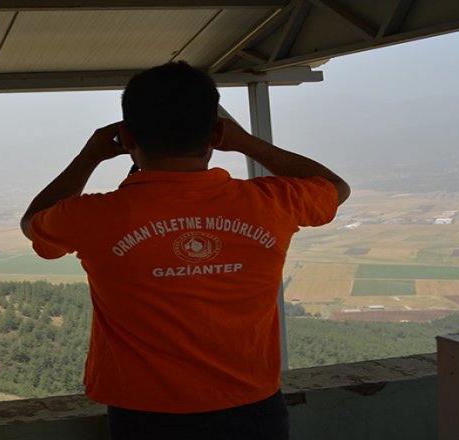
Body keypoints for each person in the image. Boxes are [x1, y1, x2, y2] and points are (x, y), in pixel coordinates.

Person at [20, 62, 350, 439]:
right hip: (254, 407)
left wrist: (89, 156)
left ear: (127, 138)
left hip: (146, 414)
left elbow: (34, 222)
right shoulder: (271, 203)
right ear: (216, 133)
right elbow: (333, 187)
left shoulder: (94, 216)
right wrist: (245, 141)